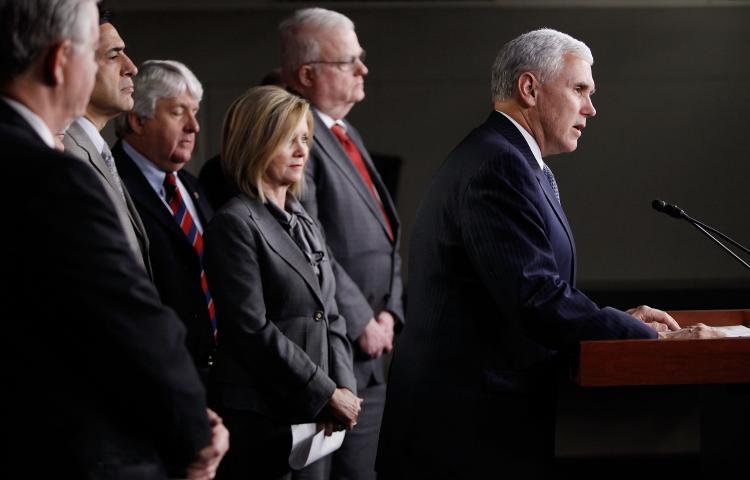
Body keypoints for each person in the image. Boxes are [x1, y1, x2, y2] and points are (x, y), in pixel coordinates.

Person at [376, 28, 682, 479]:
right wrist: (650, 338)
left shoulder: (513, 159)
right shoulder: (497, 164)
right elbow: (534, 295)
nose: (591, 108)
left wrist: (622, 320)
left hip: (484, 418)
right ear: (529, 88)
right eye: (579, 89)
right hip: (466, 429)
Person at [0, 0, 228, 477]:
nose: (130, 68)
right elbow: (122, 314)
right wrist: (191, 431)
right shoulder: (51, 177)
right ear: (61, 61)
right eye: (98, 51)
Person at [204, 85, 361, 480]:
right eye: (287, 139)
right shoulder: (234, 223)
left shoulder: (304, 219)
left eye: (305, 138)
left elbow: (333, 315)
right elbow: (250, 329)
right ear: (255, 142)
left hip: (317, 419)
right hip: (265, 419)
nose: (301, 150)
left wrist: (342, 388)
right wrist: (326, 392)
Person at [280, 9, 403, 479]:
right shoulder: (297, 135)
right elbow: (307, 240)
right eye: (348, 60)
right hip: (331, 354)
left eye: (361, 57)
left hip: (371, 351)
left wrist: (391, 308)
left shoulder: (346, 131)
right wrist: (362, 320)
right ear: (308, 74)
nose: (363, 68)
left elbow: (387, 233)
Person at [112, 59, 216, 381]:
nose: (194, 127)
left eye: (195, 112)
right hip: (158, 375)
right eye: (178, 112)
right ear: (138, 120)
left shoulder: (195, 187)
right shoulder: (110, 187)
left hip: (216, 374)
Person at [63, 4, 151, 275]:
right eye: (114, 56)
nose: (132, 68)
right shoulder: (63, 154)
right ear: (73, 65)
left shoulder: (97, 149)